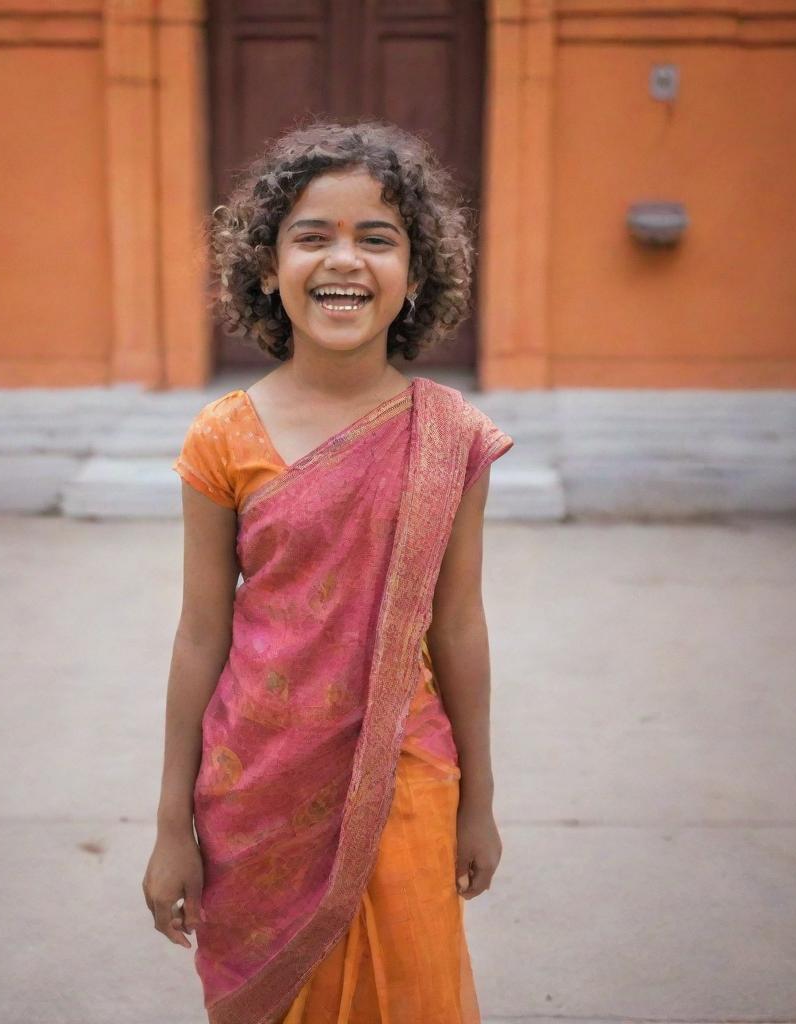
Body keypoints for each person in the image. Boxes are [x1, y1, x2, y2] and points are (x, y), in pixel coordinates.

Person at [142, 119, 515, 1024]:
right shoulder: (223, 436)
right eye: (312, 235)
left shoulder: (448, 436)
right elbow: (201, 633)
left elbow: (458, 623)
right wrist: (168, 828)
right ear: (267, 268)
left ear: (417, 275)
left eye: (376, 238)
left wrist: (480, 800)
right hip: (253, 786)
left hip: (405, 776)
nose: (342, 259)